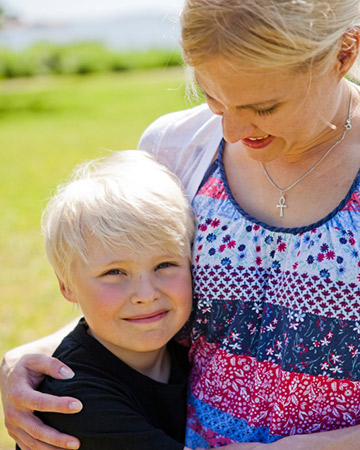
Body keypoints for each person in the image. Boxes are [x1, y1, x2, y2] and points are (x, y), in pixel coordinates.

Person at [2, 0, 360, 448]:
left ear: (344, 54)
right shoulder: (175, 147)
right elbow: (138, 300)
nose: (230, 130)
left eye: (264, 107)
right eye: (213, 99)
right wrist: (31, 358)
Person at [14, 150, 195, 450]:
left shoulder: (191, 350)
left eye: (165, 265)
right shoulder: (73, 400)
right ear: (67, 286)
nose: (147, 294)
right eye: (115, 272)